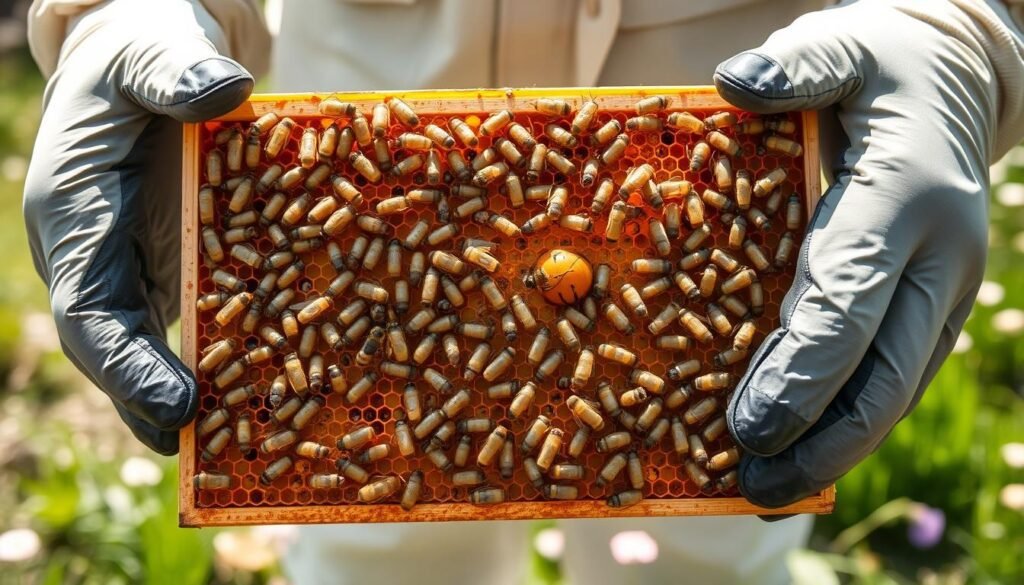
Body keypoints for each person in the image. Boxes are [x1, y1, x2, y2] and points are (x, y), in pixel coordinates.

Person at [20, 0, 1024, 583]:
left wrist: (964, 25)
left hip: (711, 189)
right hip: (361, 182)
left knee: (708, 541)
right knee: (365, 544)